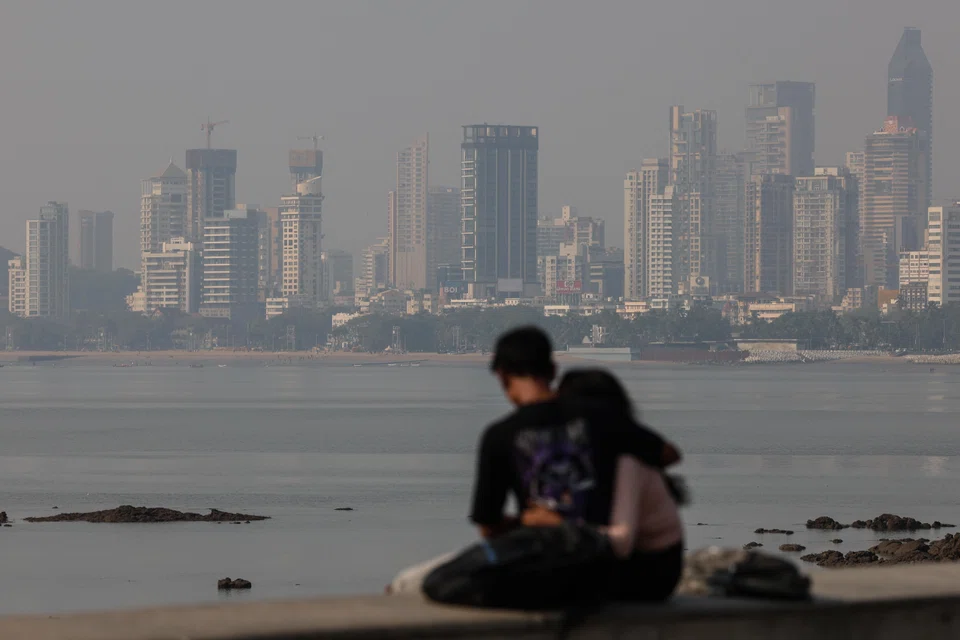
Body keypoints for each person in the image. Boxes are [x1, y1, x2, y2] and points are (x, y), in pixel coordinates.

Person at [470, 326, 683, 602]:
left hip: (551, 564)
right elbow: (668, 454)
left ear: (502, 375)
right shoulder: (599, 417)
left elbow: (489, 528)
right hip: (614, 570)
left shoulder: (498, 436)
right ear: (552, 370)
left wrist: (529, 520)